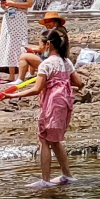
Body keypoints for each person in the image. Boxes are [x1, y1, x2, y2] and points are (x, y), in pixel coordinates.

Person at [15, 27, 83, 187]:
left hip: (52, 104)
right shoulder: (67, 62)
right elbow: (79, 83)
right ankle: (67, 175)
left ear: (48, 45)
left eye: (40, 44)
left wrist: (14, 95)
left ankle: (45, 180)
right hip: (65, 104)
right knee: (55, 140)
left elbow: (37, 89)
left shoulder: (46, 64)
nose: (38, 48)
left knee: (44, 139)